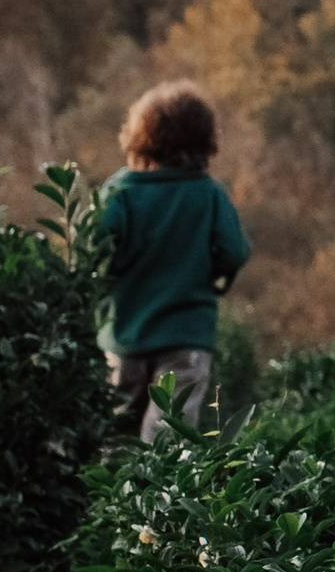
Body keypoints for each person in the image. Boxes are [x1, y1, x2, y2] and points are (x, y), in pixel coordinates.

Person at [103, 81, 251, 439]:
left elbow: (97, 248)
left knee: (116, 435)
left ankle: (114, 496)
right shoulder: (209, 195)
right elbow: (235, 251)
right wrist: (214, 276)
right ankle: (158, 496)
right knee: (168, 436)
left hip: (125, 337)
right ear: (204, 140)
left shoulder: (120, 192)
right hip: (186, 338)